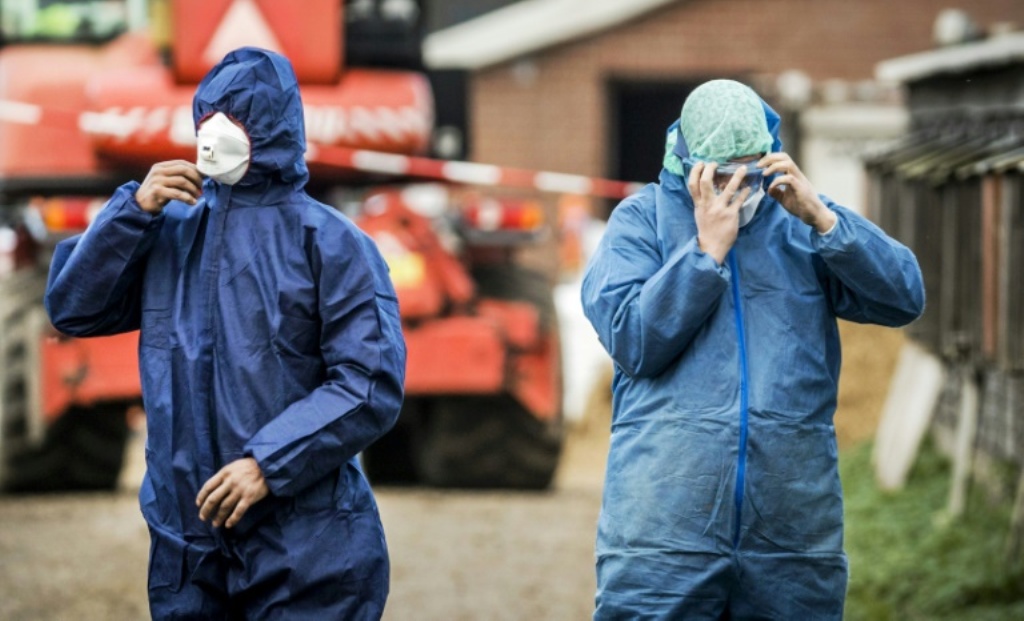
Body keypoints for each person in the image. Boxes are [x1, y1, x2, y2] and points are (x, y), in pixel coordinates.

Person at [45, 47, 405, 619]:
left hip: (305, 548)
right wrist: (130, 212)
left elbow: (368, 384)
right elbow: (73, 310)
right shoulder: (169, 228)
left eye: (237, 116)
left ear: (274, 125)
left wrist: (268, 463)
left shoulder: (332, 243)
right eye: (209, 114)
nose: (216, 131)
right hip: (187, 550)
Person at [581, 79, 925, 619]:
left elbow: (905, 297)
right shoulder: (641, 220)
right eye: (720, 175)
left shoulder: (800, 222)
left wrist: (825, 220)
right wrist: (704, 254)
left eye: (751, 171)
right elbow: (633, 340)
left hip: (790, 541)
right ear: (685, 161)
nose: (736, 190)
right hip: (664, 537)